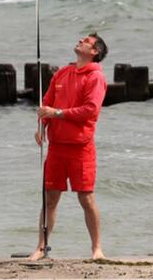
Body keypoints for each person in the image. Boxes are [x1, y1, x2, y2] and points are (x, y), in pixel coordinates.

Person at [29, 32, 109, 260]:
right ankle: (41, 247)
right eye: (82, 38)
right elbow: (47, 103)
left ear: (95, 52)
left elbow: (90, 110)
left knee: (86, 197)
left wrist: (58, 113)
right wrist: (42, 125)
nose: (81, 40)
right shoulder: (63, 73)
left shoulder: (95, 77)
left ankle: (97, 249)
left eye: (87, 41)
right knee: (50, 198)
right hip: (56, 147)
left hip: (81, 147)